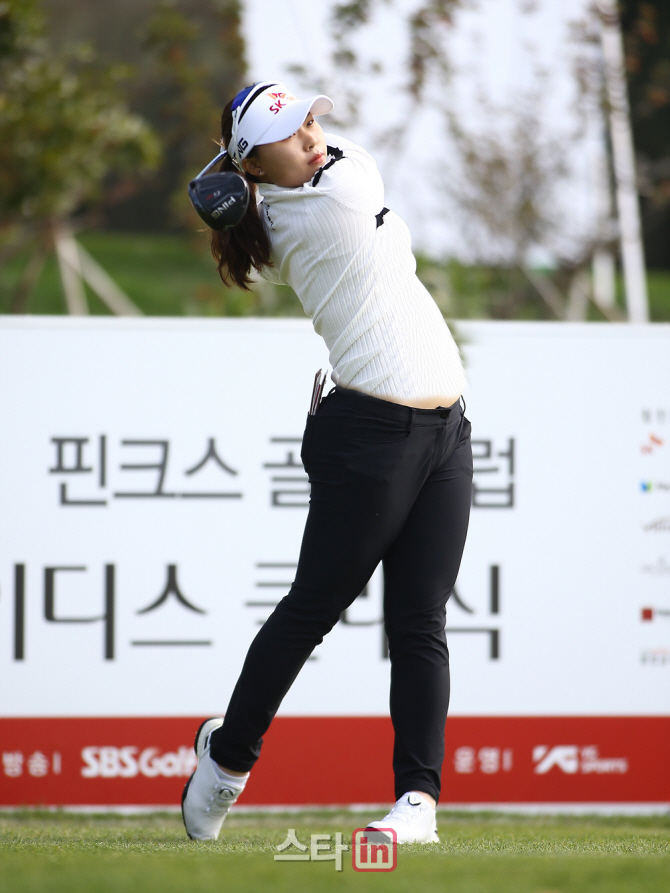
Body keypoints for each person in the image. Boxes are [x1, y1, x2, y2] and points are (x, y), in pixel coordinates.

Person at [181, 81, 473, 845]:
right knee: (313, 608)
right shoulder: (333, 199)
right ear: (252, 163)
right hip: (370, 436)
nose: (312, 136)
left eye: (310, 119)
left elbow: (300, 157)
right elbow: (349, 157)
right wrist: (237, 162)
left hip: (445, 430)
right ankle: (228, 760)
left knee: (421, 620)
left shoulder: (280, 203)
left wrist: (236, 164)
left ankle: (417, 803)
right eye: (290, 130)